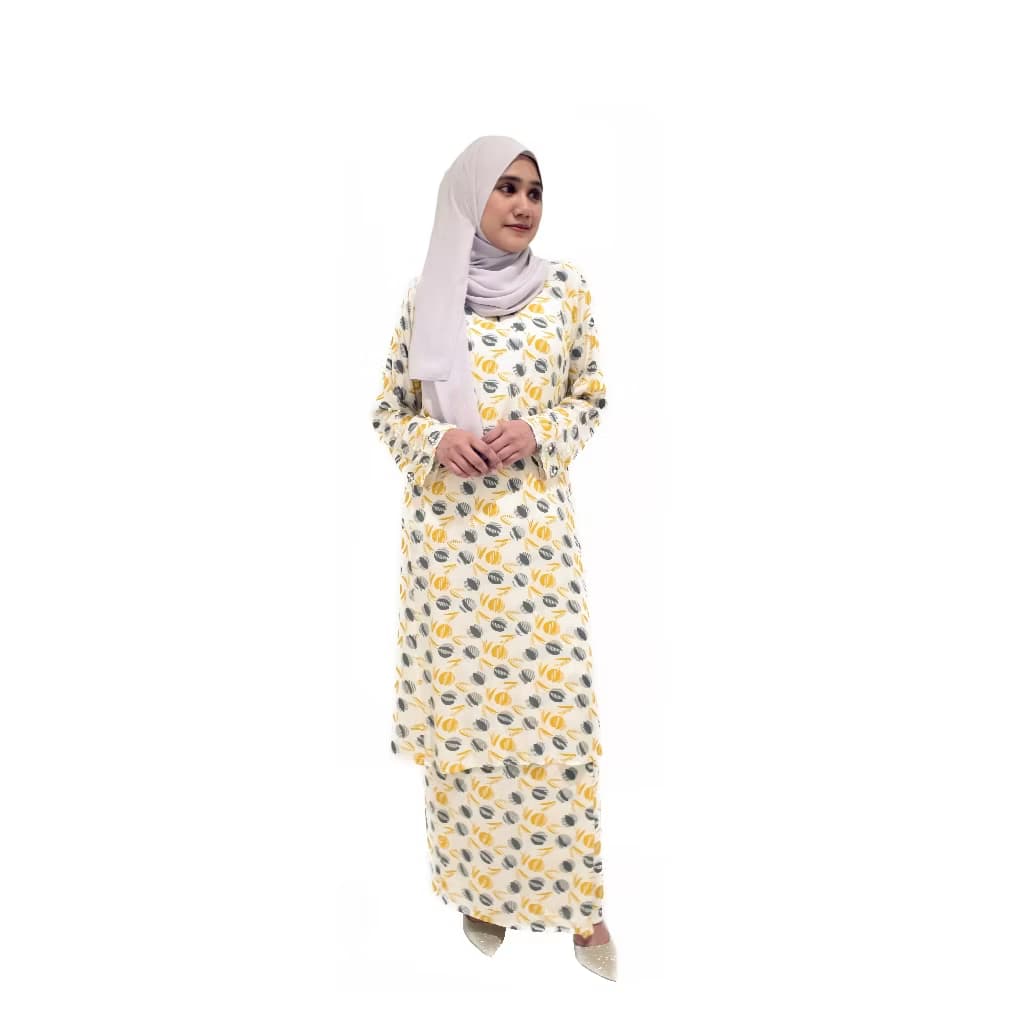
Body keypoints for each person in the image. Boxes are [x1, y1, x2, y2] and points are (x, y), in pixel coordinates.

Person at [369, 136, 616, 981]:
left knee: (557, 720)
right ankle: (482, 889)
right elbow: (388, 412)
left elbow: (591, 397)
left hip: (536, 547)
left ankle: (581, 905)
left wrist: (539, 429)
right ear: (468, 196)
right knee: (472, 728)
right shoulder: (426, 296)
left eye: (534, 191)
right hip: (452, 555)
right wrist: (436, 440)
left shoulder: (566, 291)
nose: (522, 205)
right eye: (506, 187)